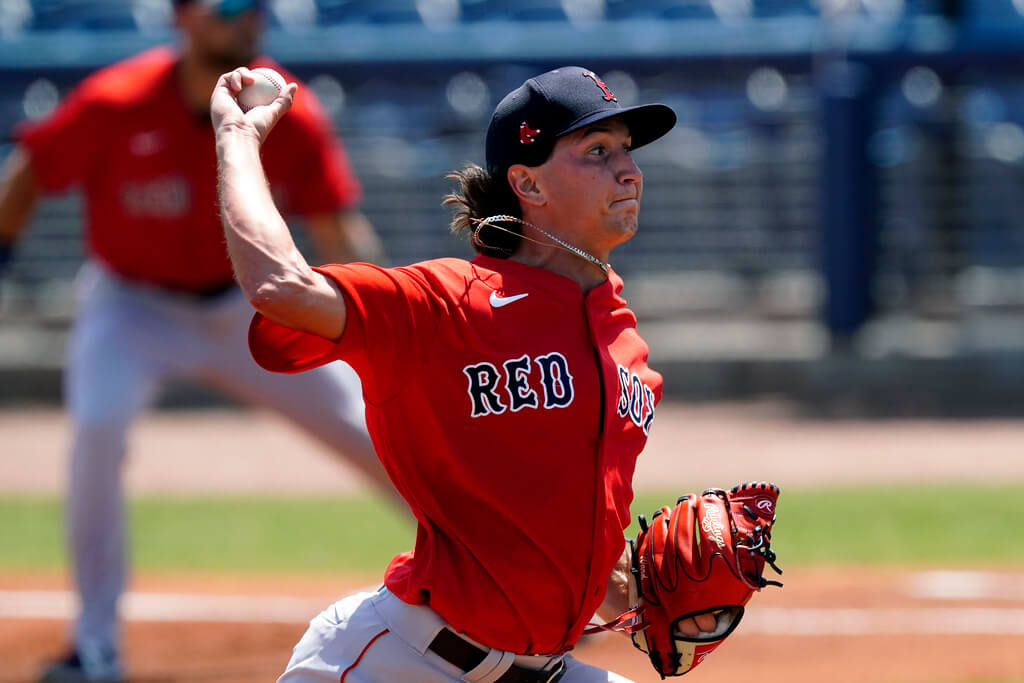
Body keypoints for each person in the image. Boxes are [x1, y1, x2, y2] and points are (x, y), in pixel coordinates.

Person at [213, 64, 713, 682]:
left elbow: (564, 537)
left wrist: (643, 588)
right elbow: (279, 286)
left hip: (550, 667)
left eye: (628, 152)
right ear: (528, 183)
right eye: (597, 151)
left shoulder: (624, 340)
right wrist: (236, 139)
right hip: (402, 662)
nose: (629, 170)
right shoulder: (443, 302)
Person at [0, 1, 392, 681]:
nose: (249, 18)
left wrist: (380, 322)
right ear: (182, 16)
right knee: (97, 431)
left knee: (382, 432)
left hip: (248, 306)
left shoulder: (286, 108)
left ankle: (515, 588)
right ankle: (95, 647)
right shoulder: (117, 100)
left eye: (258, 7)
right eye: (229, 4)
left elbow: (337, 227)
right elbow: (32, 171)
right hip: (131, 306)